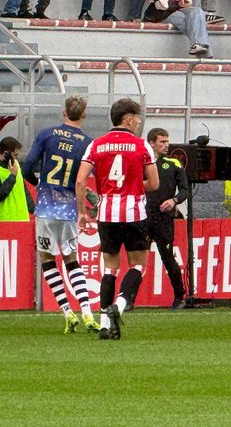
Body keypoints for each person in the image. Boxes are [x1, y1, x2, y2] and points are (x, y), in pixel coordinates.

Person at [75, 98, 160, 340]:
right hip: (134, 212)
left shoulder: (95, 145)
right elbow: (154, 183)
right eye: (138, 118)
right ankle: (119, 306)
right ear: (129, 119)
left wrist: (82, 211)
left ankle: (103, 325)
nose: (139, 122)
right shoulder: (141, 145)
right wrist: (133, 184)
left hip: (106, 213)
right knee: (138, 266)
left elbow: (81, 181)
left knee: (110, 269)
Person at [21, 95, 99, 333]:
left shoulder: (47, 134)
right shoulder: (87, 143)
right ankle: (87, 311)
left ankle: (67, 312)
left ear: (64, 112)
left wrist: (40, 185)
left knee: (47, 259)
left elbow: (27, 167)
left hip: (45, 208)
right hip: (68, 210)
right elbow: (81, 180)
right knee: (72, 260)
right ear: (84, 115)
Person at [145, 127, 189, 308]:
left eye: (167, 141)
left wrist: (174, 200)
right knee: (137, 258)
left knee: (168, 258)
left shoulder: (173, 164)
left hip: (164, 219)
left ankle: (180, 296)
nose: (166, 145)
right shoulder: (142, 163)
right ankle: (128, 299)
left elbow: (185, 190)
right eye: (162, 142)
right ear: (151, 143)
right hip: (144, 217)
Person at [0, 136, 31, 222]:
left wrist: (35, 211)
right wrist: (12, 176)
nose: (16, 158)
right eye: (15, 155)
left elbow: (24, 191)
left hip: (22, 221)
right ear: (5, 153)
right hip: (3, 222)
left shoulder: (15, 165)